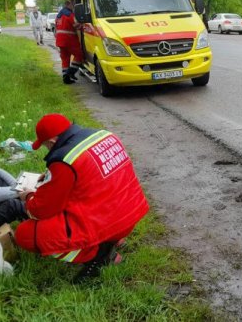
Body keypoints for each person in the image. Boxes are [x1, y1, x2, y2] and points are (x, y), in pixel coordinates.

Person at [15, 114, 149, 283]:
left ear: (52, 141)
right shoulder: (103, 135)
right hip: (129, 216)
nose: (47, 149)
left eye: (46, 145)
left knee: (25, 234)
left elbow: (42, 210)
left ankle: (97, 254)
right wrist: (53, 177)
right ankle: (114, 241)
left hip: (107, 224)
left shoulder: (65, 159)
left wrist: (28, 196)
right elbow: (90, 177)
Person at [55, 0, 83, 85]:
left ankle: (65, 78)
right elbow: (76, 25)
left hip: (60, 41)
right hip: (69, 39)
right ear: (69, 5)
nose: (74, 7)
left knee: (65, 58)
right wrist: (84, 26)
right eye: (73, 5)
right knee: (79, 55)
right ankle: (70, 72)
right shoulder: (70, 15)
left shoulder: (59, 15)